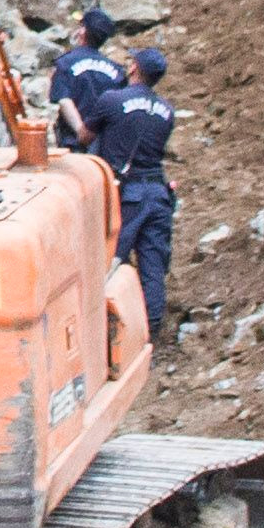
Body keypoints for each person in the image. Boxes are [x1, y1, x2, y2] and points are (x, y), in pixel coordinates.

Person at [95, 44, 181, 355]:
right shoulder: (167, 112)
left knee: (110, 260)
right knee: (153, 265)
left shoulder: (112, 100)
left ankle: (108, 336)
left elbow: (85, 134)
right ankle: (152, 335)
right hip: (157, 193)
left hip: (127, 194)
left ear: (133, 69)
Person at [46, 7, 128, 153]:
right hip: (105, 147)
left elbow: (64, 100)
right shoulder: (117, 72)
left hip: (73, 143)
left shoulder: (66, 63)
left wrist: (80, 130)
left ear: (82, 31)